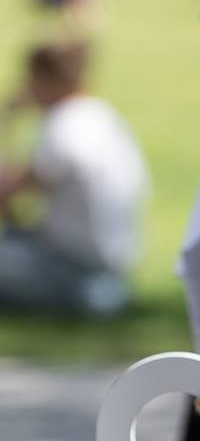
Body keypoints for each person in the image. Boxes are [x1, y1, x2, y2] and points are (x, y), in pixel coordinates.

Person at [0, 40, 149, 315]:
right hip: (112, 268)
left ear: (43, 78)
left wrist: (10, 123)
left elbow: (6, 192)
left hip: (78, 275)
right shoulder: (99, 115)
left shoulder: (65, 129)